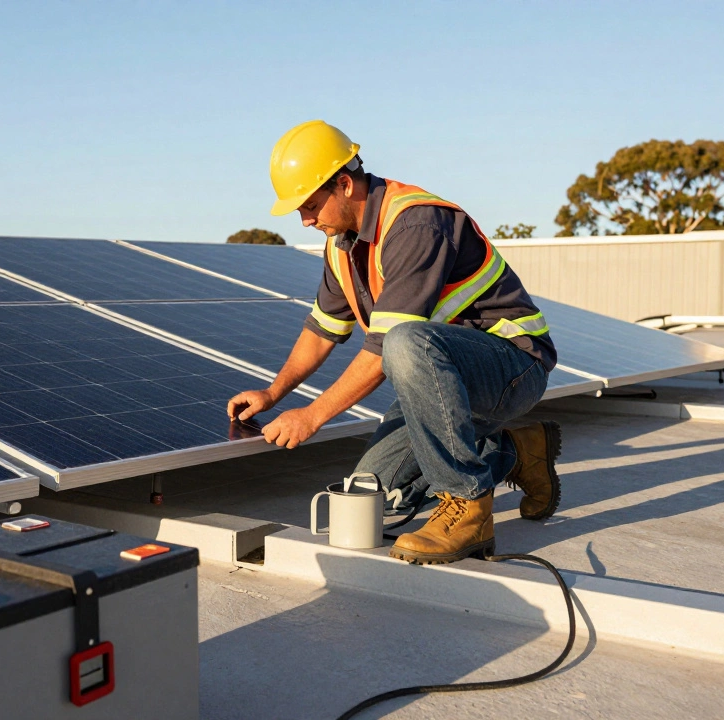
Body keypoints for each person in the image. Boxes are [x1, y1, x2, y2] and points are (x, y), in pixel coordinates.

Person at [227, 120, 562, 564]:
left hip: (511, 368)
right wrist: (273, 392)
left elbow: (388, 349)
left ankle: (468, 506)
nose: (305, 220)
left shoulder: (416, 224)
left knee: (403, 340)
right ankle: (517, 452)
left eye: (309, 205)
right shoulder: (341, 246)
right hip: (440, 379)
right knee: (377, 495)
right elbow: (321, 330)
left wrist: (313, 415)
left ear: (344, 184)